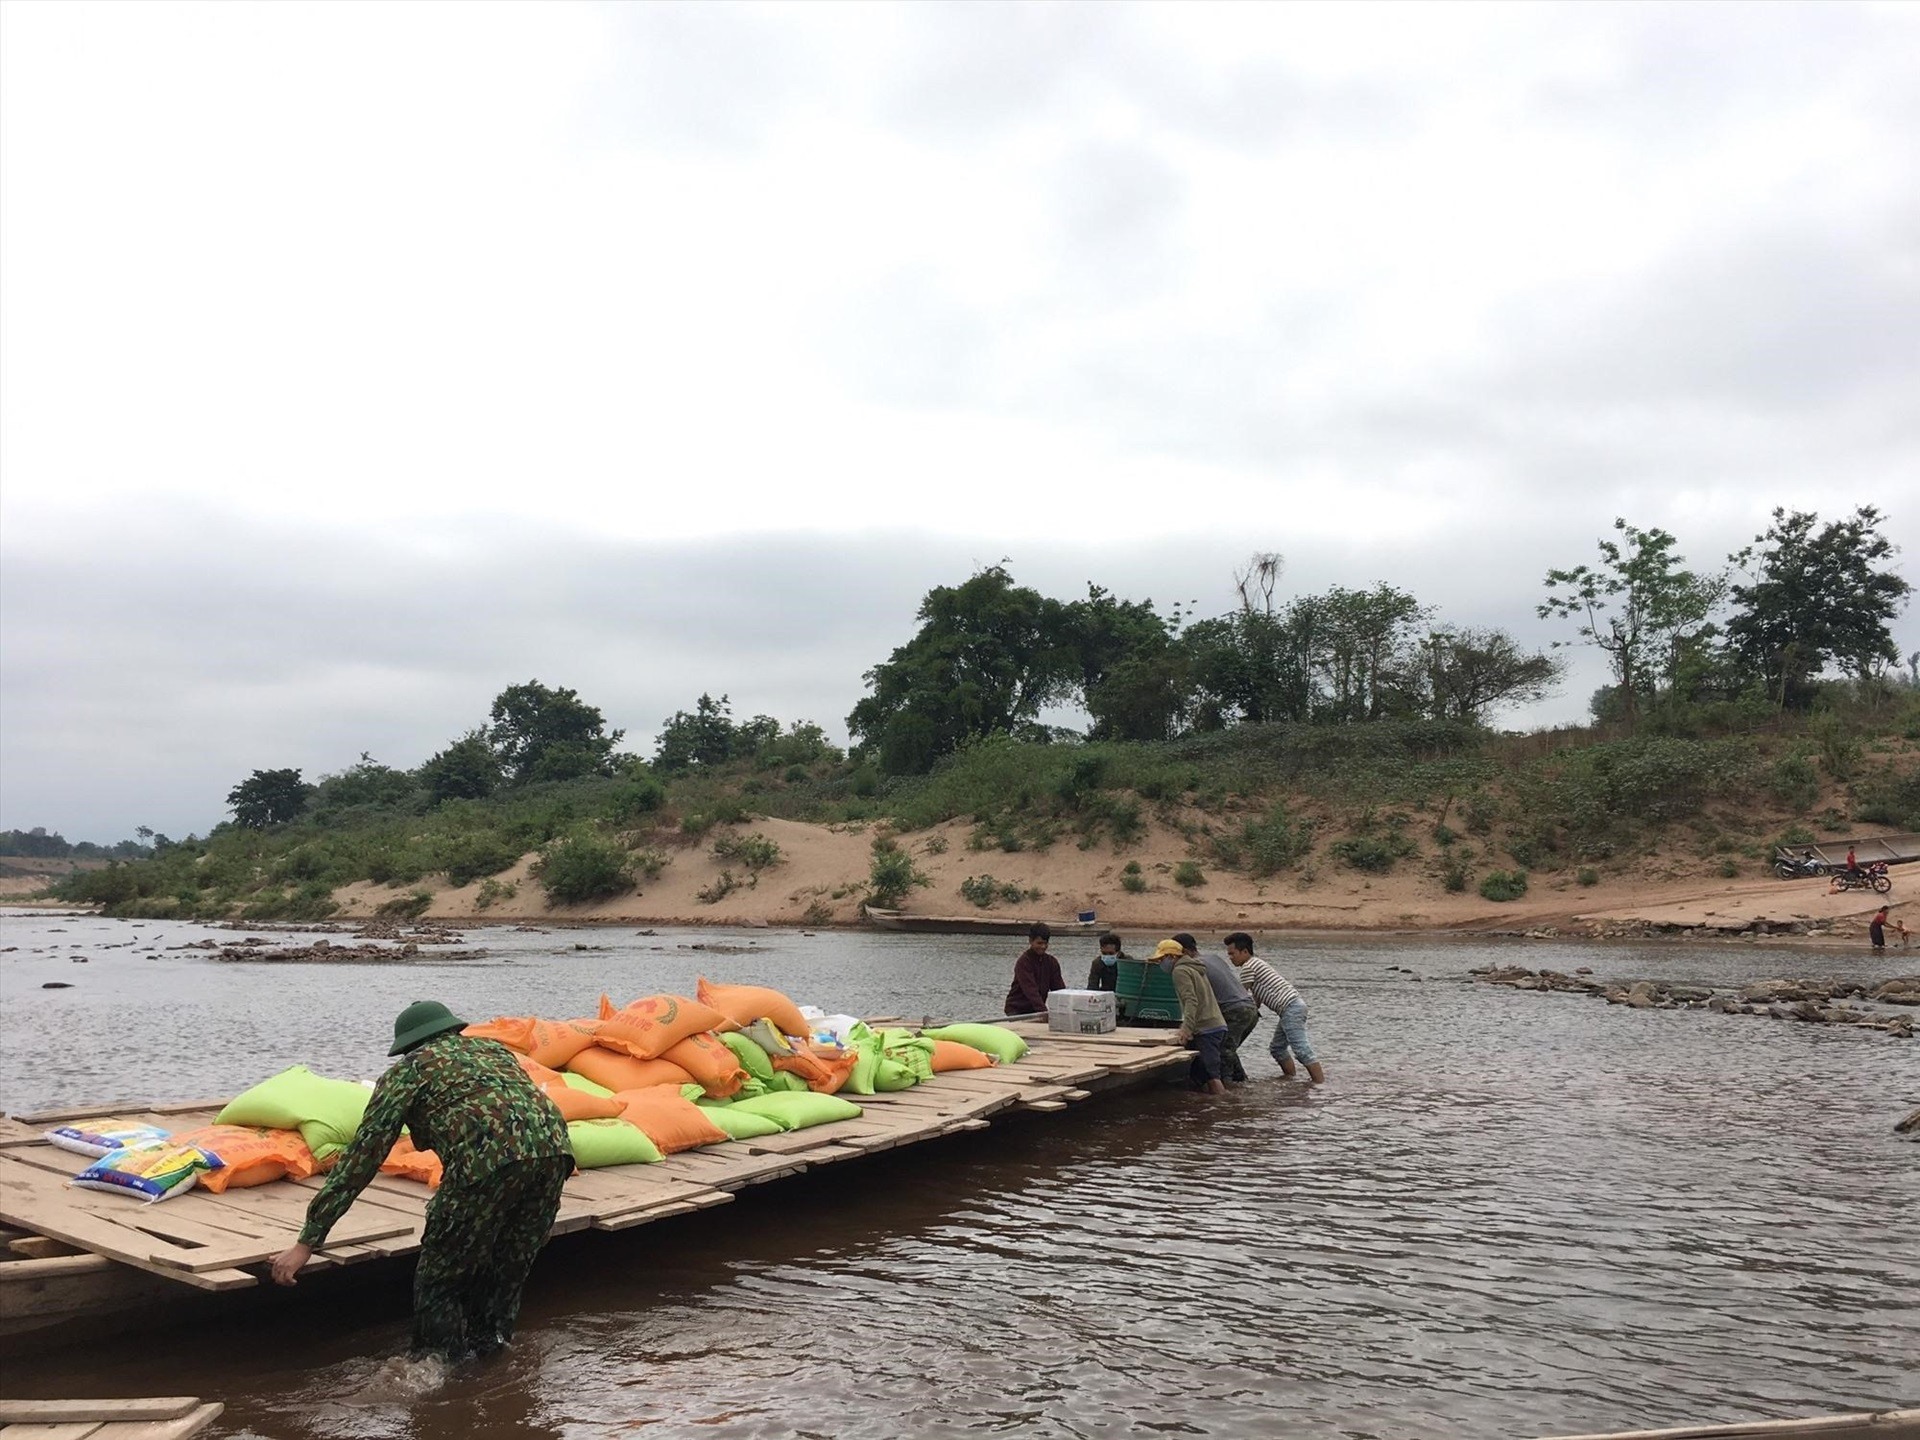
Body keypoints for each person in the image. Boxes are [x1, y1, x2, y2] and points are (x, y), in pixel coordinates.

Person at [270, 1000, 574, 1364]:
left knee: (440, 1280)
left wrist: (308, 1239)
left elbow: (363, 1156)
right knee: (506, 1271)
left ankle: (437, 1372)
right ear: (452, 1029)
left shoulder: (408, 1072)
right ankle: (495, 1362)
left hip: (484, 1166)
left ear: (409, 1045)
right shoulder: (494, 1051)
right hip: (556, 1156)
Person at [1224, 932, 1326, 1085]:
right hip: (1292, 1007)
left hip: (1291, 1007)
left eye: (1232, 954)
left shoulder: (1248, 968)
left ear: (1244, 951)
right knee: (1277, 1049)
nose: (1230, 958)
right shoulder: (1256, 964)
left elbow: (1240, 996)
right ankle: (1290, 1081)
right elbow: (1255, 999)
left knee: (1301, 1050)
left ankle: (1320, 1084)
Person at [1156, 932, 1259, 1082]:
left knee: (1223, 1053)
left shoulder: (1191, 968)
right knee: (1228, 1049)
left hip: (1234, 1011)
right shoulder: (1213, 958)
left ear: (1182, 952)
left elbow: (1194, 1000)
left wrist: (1188, 1027)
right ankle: (1242, 1085)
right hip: (1250, 1009)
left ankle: (1227, 1094)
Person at [1154, 938, 1227, 1096]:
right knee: (1202, 1074)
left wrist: (1186, 1029)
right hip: (1216, 1025)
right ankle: (1210, 1109)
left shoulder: (1180, 971)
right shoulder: (1196, 967)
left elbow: (1190, 1000)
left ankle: (1223, 1107)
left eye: (1162, 959)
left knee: (1211, 1076)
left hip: (1206, 1029)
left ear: (1172, 957)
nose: (1160, 963)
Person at [1004, 923, 1067, 1017]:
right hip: (1017, 1009)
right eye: (1039, 943)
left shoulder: (1052, 962)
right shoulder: (1024, 962)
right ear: (1030, 941)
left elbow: (1059, 989)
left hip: (1035, 1010)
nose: (1043, 946)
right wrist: (1043, 1012)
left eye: (1045, 943)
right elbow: (1031, 990)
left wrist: (1066, 1008)